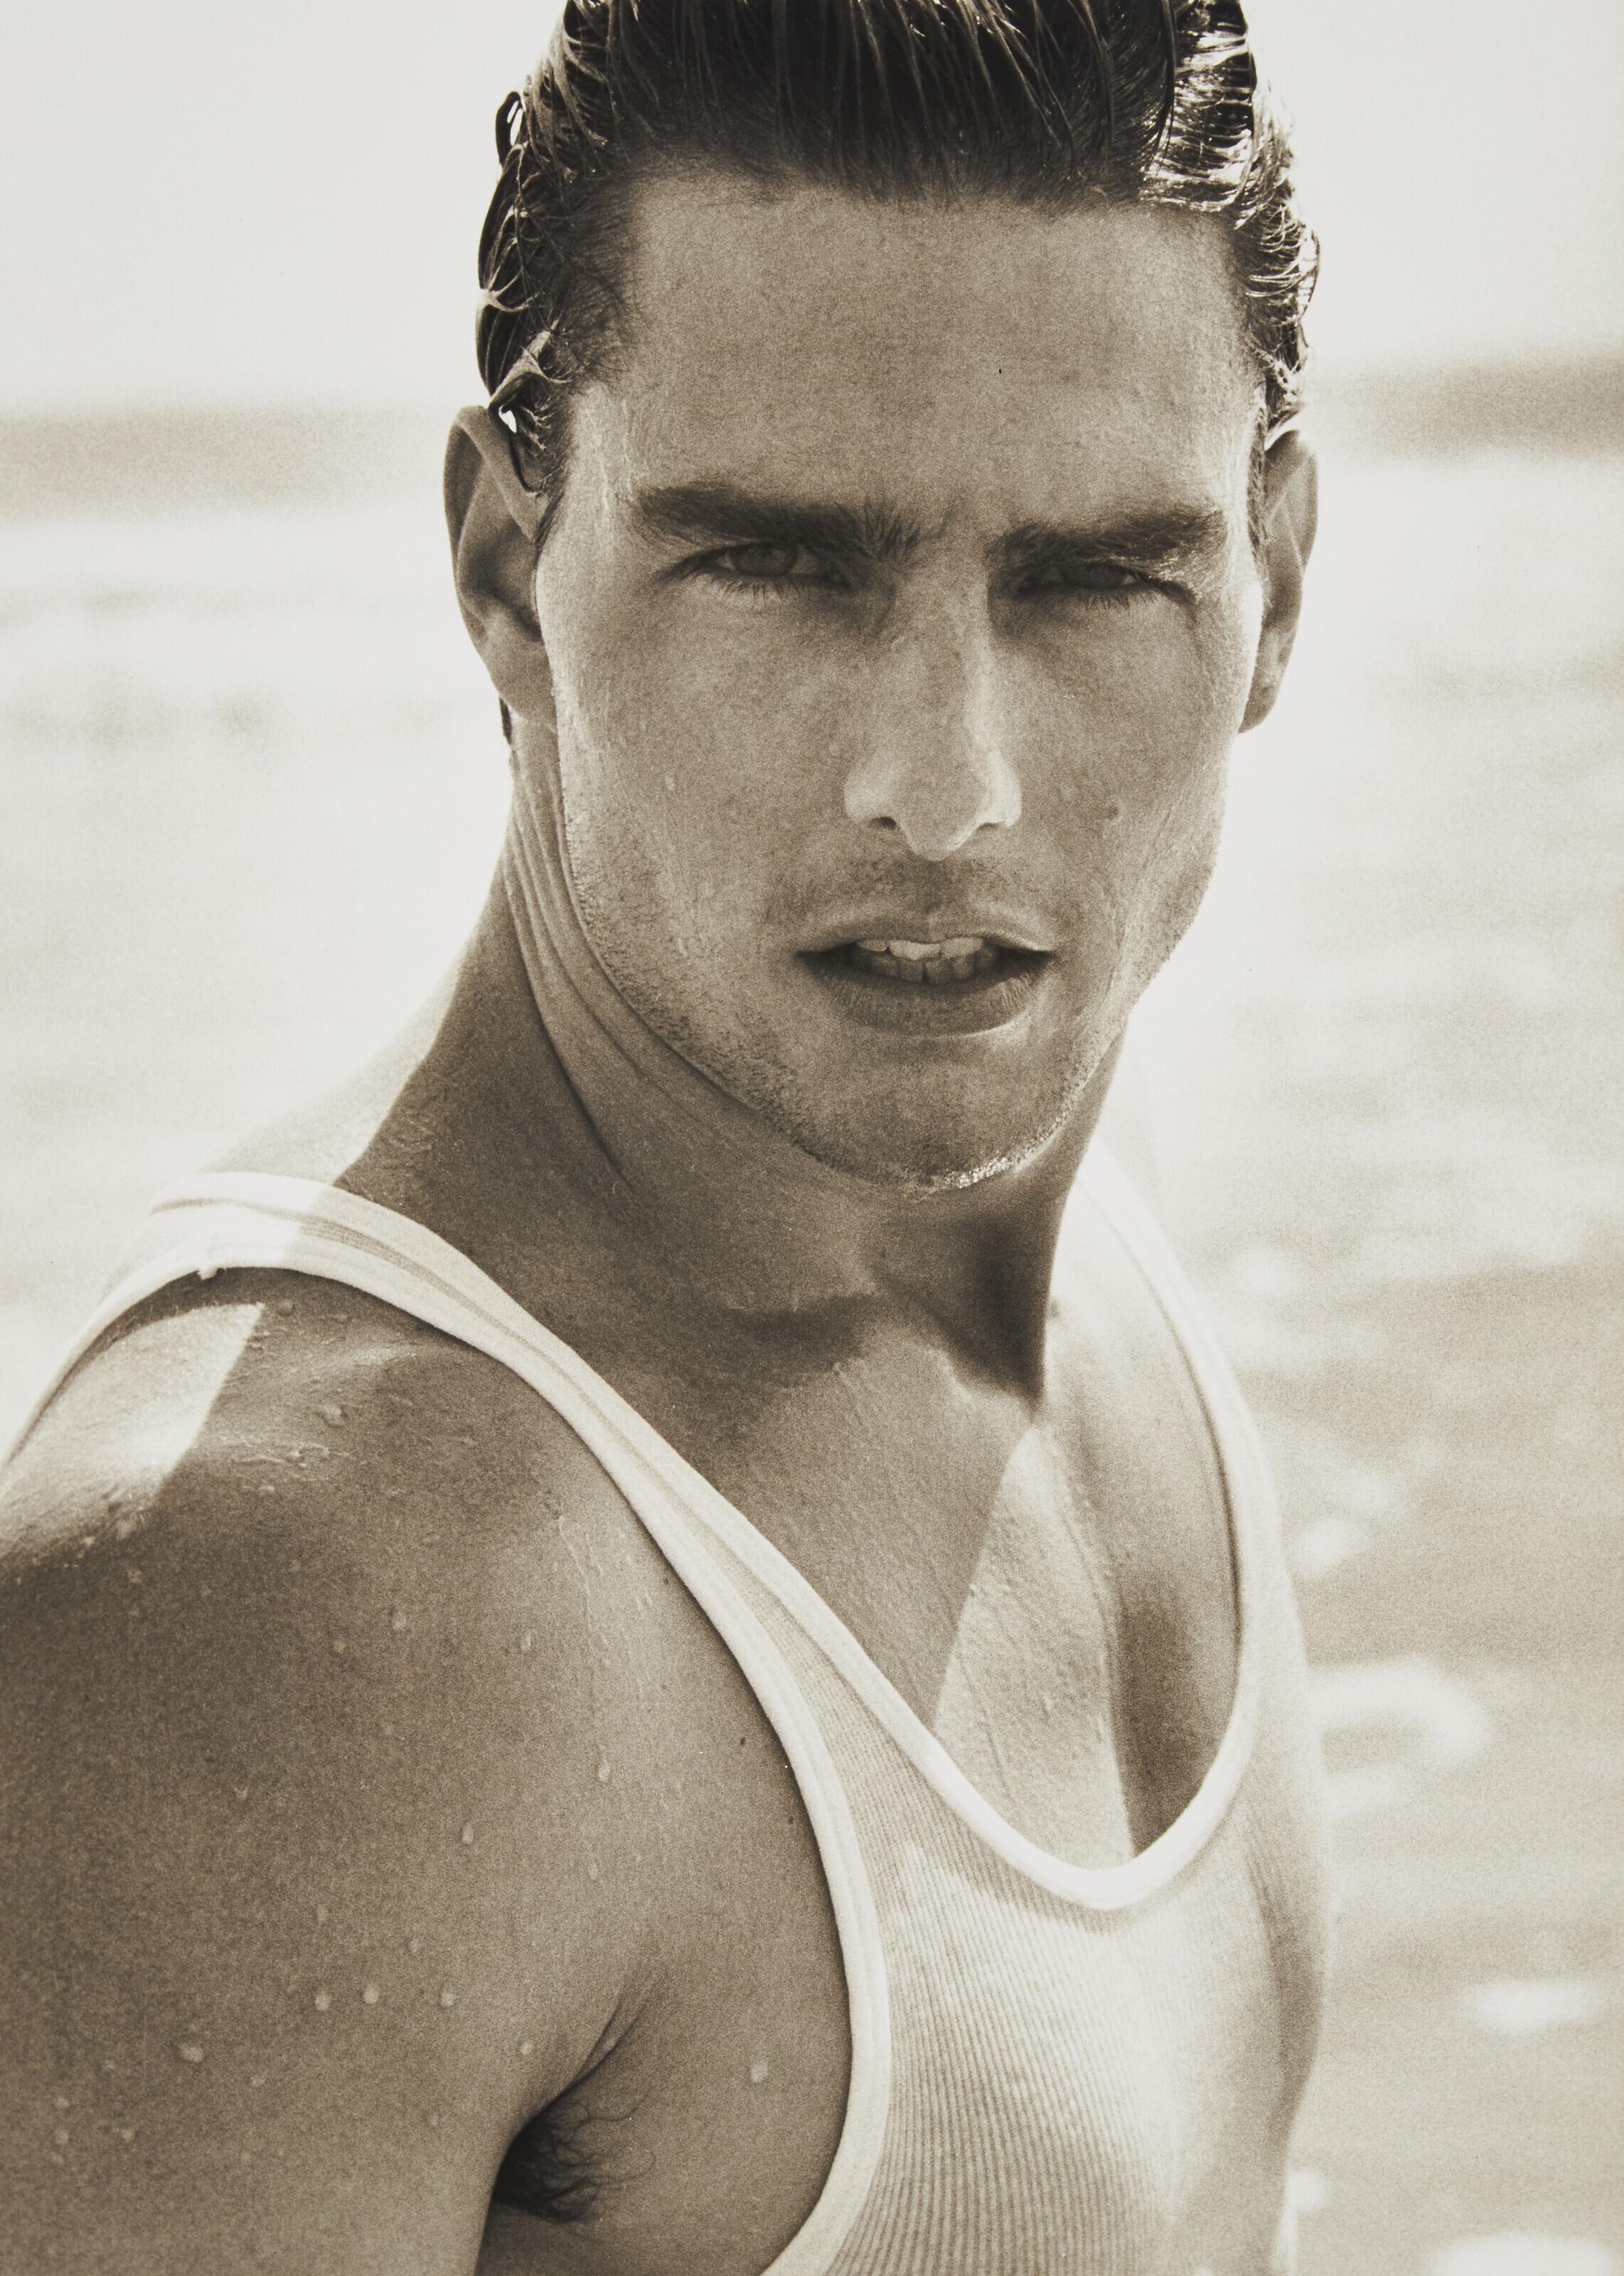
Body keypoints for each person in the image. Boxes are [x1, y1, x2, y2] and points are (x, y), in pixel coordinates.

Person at [0, 0, 1329, 2267]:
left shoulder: (1070, 1250)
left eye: (1094, 578)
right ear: (509, 568)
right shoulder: (285, 1607)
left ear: (1270, 585)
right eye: (781, 567)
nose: (948, 786)